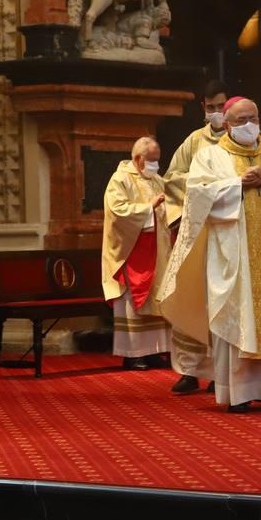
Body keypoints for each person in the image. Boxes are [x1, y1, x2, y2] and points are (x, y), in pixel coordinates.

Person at [157, 96, 261, 413]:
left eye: (253, 118)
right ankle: (236, 393)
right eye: (241, 120)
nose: (249, 125)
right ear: (226, 124)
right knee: (236, 315)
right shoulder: (210, 157)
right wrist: (235, 184)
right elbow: (197, 196)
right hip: (231, 253)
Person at [162, 80, 228, 394]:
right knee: (191, 297)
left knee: (220, 301)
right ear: (203, 107)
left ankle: (219, 371)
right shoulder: (193, 141)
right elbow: (172, 179)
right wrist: (205, 184)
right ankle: (189, 370)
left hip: (226, 233)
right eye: (211, 107)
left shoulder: (239, 142)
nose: (216, 113)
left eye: (221, 107)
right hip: (194, 231)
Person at [103, 136, 172, 370]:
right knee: (134, 303)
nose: (155, 165)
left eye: (157, 160)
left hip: (158, 251)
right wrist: (148, 208)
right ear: (137, 159)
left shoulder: (156, 180)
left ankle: (153, 351)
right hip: (133, 252)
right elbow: (117, 211)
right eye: (151, 160)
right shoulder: (120, 179)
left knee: (157, 298)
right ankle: (133, 354)